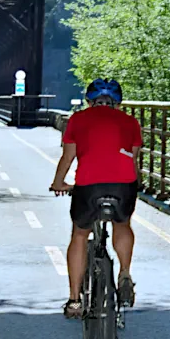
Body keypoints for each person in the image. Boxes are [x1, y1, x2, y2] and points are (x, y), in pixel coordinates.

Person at [49, 78, 142, 319]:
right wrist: (134, 185)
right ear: (117, 103)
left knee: (80, 234)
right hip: (123, 185)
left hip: (89, 186)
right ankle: (124, 273)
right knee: (122, 224)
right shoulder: (130, 122)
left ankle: (74, 300)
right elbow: (132, 159)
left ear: (90, 101)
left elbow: (68, 157)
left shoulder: (78, 119)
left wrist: (58, 183)